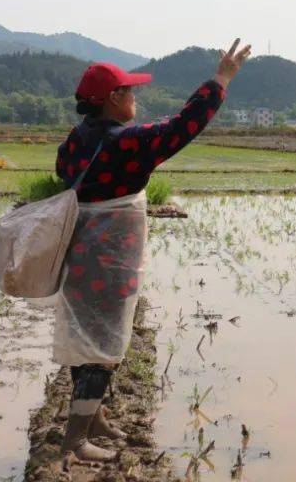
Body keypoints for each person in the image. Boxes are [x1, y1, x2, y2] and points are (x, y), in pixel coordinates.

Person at [53, 39, 251, 462]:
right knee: (102, 350)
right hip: (108, 261)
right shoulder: (126, 143)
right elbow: (182, 126)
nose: (136, 99)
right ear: (113, 99)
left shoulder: (74, 140)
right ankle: (74, 440)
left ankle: (96, 415)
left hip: (78, 257)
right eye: (130, 92)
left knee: (85, 340)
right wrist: (221, 79)